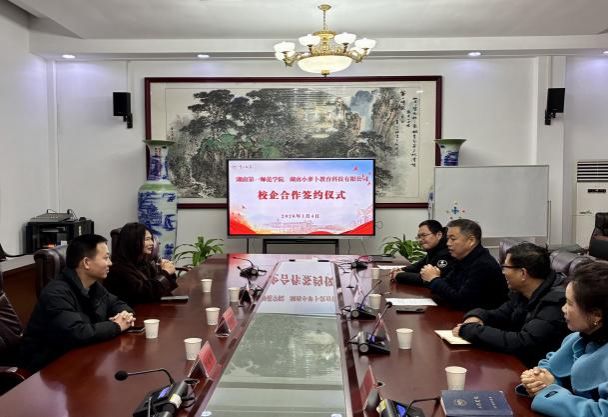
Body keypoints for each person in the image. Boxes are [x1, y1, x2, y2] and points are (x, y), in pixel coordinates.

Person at [20, 234, 134, 373]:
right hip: (48, 369)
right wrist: (116, 326)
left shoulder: (93, 286)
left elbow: (118, 304)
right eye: (106, 258)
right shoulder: (56, 293)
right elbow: (77, 333)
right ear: (86, 263)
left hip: (81, 359)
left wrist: (125, 315)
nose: (110, 263)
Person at [452, 242, 569, 367]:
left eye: (505, 267)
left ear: (523, 273)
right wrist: (477, 316)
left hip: (536, 370)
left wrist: (472, 331)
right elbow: (500, 314)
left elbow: (523, 342)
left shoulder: (555, 303)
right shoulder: (523, 292)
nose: (502, 272)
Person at [519, 261, 608, 417]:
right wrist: (537, 379)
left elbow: (601, 413)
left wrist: (549, 390)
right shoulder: (577, 338)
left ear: (596, 315)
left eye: (569, 303)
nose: (563, 309)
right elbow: (552, 365)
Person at [420, 218, 507, 311]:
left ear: (471, 240)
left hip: (483, 317)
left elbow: (461, 302)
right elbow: (447, 285)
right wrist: (432, 277)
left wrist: (434, 279)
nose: (448, 243)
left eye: (453, 239)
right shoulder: (462, 258)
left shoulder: (483, 265)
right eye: (447, 239)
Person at [104, 222, 177, 305]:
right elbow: (143, 294)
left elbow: (162, 289)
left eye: (151, 239)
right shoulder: (118, 269)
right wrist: (165, 273)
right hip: (131, 311)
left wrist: (168, 271)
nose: (152, 243)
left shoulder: (144, 263)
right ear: (132, 241)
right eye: (147, 239)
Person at [390, 220, 454, 286]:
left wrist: (399, 275)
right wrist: (400, 269)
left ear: (439, 235)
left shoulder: (447, 252)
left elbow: (429, 279)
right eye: (419, 236)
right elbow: (418, 266)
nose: (420, 239)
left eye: (424, 235)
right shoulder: (434, 249)